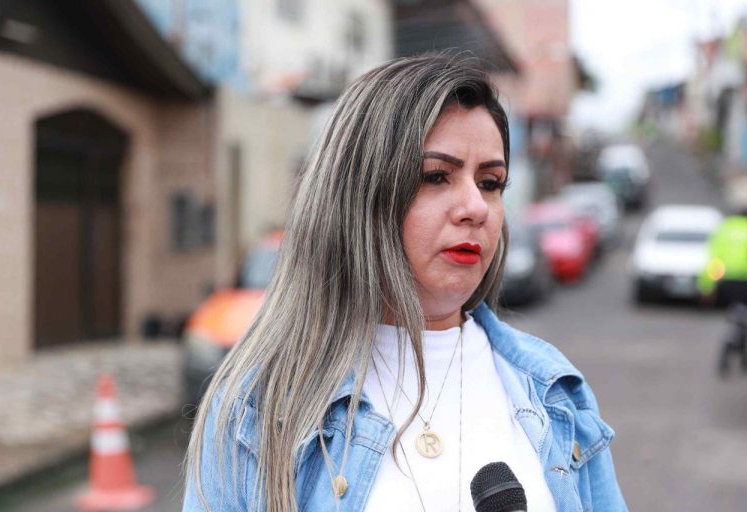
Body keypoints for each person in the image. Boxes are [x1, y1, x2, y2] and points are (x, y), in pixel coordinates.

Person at [183, 53, 626, 512]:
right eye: (436, 176)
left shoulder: (554, 390)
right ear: (359, 196)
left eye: (491, 182)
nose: (476, 207)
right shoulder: (259, 409)